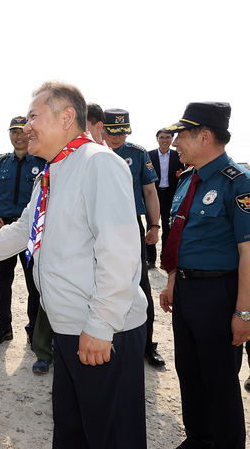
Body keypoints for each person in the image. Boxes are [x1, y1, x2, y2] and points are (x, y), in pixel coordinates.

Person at [0, 81, 148, 448]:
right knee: (73, 431)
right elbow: (20, 233)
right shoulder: (53, 172)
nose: (26, 126)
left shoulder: (99, 164)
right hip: (69, 329)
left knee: (111, 436)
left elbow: (120, 253)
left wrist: (101, 325)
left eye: (33, 116)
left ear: (67, 117)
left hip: (101, 332)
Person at [159, 102, 250, 449]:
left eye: (182, 135)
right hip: (185, 290)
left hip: (218, 294)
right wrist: (171, 282)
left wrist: (244, 312)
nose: (176, 142)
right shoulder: (185, 181)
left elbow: (248, 253)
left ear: (205, 136)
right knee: (190, 373)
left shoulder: (237, 183)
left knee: (219, 380)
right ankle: (198, 439)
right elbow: (179, 236)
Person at [0, 116, 51, 369]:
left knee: (35, 283)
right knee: (2, 281)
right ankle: (4, 326)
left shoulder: (43, 162)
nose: (18, 136)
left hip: (32, 232)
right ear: (9, 135)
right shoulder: (0, 163)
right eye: (14, 132)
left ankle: (35, 332)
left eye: (22, 131)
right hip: (5, 228)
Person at [102, 109, 165, 368]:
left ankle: (147, 344)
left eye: (122, 132)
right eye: (112, 132)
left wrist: (154, 225)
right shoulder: (93, 153)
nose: (117, 138)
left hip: (129, 226)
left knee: (141, 285)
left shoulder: (137, 154)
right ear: (102, 129)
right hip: (98, 227)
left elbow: (150, 192)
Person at [147, 129, 182, 268]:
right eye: (162, 137)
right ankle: (150, 260)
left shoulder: (178, 156)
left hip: (170, 195)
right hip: (153, 195)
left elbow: (184, 174)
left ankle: (164, 261)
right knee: (151, 226)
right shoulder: (149, 155)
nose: (165, 140)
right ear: (157, 139)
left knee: (168, 229)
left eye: (168, 137)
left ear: (172, 139)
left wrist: (180, 176)